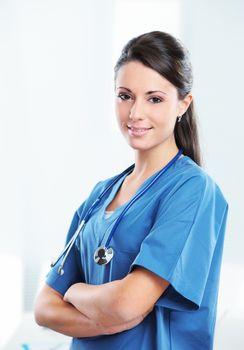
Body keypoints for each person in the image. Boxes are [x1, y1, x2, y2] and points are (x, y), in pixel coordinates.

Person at [34, 31, 228, 350]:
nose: (135, 113)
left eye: (154, 98)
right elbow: (44, 307)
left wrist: (73, 293)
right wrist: (103, 315)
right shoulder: (99, 196)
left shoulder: (192, 190)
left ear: (183, 103)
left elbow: (128, 304)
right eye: (125, 96)